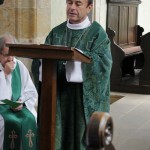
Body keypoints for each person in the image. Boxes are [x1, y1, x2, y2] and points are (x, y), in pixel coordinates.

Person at [32, 0, 112, 149]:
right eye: (69, 3)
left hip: (81, 101)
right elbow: (41, 60)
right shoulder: (56, 32)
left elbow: (103, 66)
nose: (72, 8)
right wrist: (40, 61)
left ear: (89, 7)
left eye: (78, 3)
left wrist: (75, 63)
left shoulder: (98, 34)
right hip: (58, 98)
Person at [0, 33, 38, 150]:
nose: (11, 59)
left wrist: (22, 102)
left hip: (19, 108)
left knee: (30, 119)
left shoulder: (19, 65)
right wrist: (5, 74)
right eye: (6, 55)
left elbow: (31, 92)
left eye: (13, 55)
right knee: (8, 122)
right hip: (2, 109)